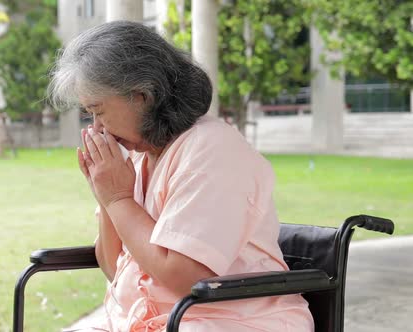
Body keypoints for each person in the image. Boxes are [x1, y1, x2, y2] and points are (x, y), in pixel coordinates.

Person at [48, 21, 314, 332]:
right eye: (89, 114)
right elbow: (112, 268)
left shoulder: (213, 149)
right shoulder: (137, 156)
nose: (97, 129)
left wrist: (118, 198)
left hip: (229, 322)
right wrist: (105, 195)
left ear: (141, 95)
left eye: (99, 110)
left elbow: (186, 277)